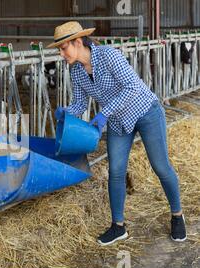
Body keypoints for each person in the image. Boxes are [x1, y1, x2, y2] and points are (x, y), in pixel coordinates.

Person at [48, 21, 187, 246]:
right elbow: (80, 103)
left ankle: (178, 215)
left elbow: (132, 87)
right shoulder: (76, 72)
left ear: (77, 42)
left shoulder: (108, 56)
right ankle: (118, 226)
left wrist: (104, 113)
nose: (61, 54)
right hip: (117, 121)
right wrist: (67, 112)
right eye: (59, 49)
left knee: (161, 166)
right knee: (116, 170)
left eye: (63, 48)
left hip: (145, 112)